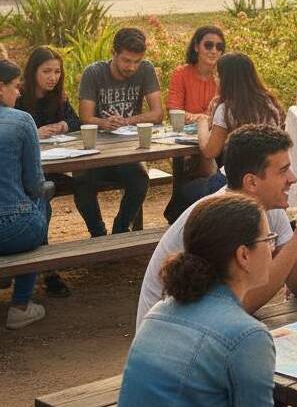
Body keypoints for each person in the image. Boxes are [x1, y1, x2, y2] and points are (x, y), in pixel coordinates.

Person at [136, 124, 297, 329]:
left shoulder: (269, 207)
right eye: (283, 171)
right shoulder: (221, 218)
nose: (293, 178)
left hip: (205, 324)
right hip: (175, 334)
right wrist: (296, 242)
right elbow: (239, 305)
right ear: (251, 182)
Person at [119, 194, 276, 407]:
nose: (273, 248)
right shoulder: (247, 336)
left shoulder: (159, 311)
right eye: (268, 240)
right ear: (243, 256)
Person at [166, 51, 285, 222]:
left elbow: (210, 151)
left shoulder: (227, 108)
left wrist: (202, 124)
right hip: (266, 176)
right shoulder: (271, 104)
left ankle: (187, 231)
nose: (215, 79)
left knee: (184, 192)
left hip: (233, 182)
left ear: (225, 79)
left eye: (217, 75)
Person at [74, 27, 163, 237]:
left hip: (128, 150)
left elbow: (158, 113)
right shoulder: (93, 73)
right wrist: (105, 123)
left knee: (140, 179)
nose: (131, 67)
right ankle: (98, 233)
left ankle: (121, 230)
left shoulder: (146, 69)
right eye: (126, 60)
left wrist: (127, 121)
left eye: (137, 61)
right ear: (113, 53)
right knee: (82, 182)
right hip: (97, 150)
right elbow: (85, 117)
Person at [16, 46, 78, 297]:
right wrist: (33, 132)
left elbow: (76, 121)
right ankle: (46, 270)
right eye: (47, 72)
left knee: (86, 181)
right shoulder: (17, 97)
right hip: (24, 172)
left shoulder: (58, 97)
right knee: (43, 204)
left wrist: (63, 125)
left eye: (57, 72)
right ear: (33, 72)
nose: (53, 77)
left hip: (54, 165)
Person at [0, 58, 49, 329]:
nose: (18, 93)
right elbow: (34, 184)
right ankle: (20, 304)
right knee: (42, 199)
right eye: (15, 86)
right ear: (1, 88)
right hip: (14, 229)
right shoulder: (21, 121)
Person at [167, 25, 225, 120]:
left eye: (219, 47)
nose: (214, 51)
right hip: (186, 129)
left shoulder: (225, 76)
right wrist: (200, 118)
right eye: (208, 45)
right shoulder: (181, 74)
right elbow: (174, 112)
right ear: (196, 47)